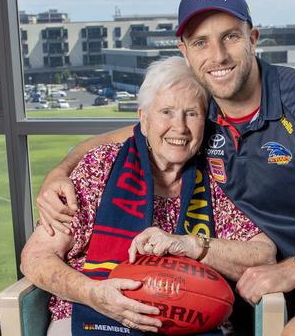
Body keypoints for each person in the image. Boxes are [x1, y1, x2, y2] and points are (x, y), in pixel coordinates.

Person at [36, 0, 295, 336]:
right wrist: (59, 173)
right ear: (185, 52)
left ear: (252, 38)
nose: (218, 55)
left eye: (230, 37)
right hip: (272, 282)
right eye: (201, 42)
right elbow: (113, 140)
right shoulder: (200, 116)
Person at [21, 56, 276, 335]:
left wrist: (191, 246)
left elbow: (264, 254)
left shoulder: (217, 178)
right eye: (166, 112)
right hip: (90, 310)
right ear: (143, 119)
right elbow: (35, 257)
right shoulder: (101, 168)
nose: (179, 127)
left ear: (205, 122)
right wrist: (91, 292)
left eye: (192, 113)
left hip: (188, 321)